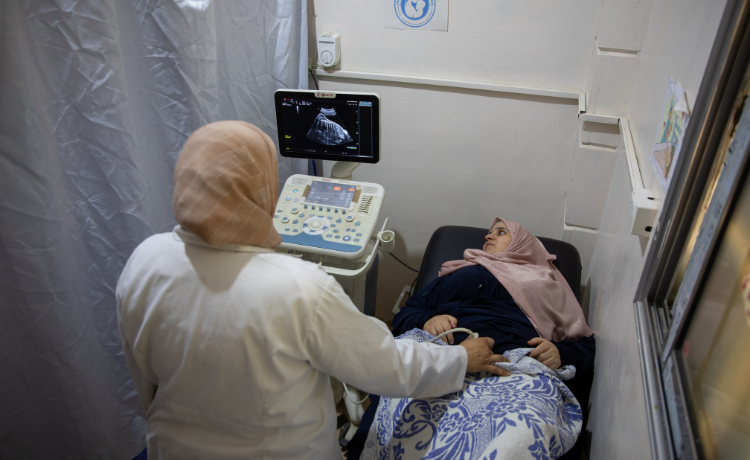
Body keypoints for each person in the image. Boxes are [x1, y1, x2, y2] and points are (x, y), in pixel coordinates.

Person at [115, 121, 508, 460]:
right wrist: (458, 359)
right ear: (265, 189)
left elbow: (146, 379)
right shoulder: (299, 287)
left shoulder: (145, 260)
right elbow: (387, 368)